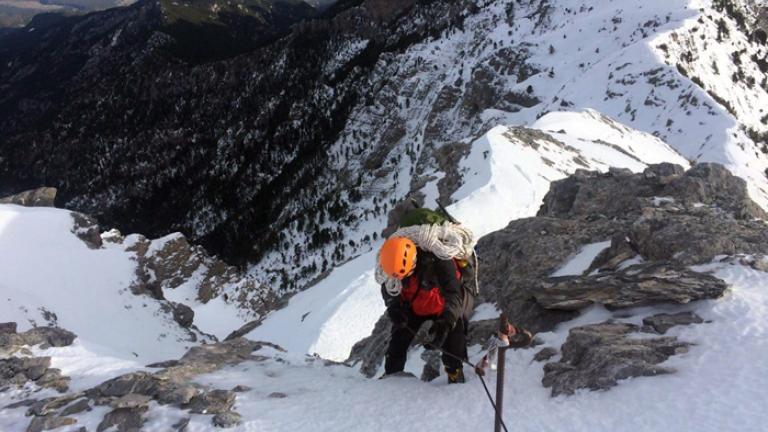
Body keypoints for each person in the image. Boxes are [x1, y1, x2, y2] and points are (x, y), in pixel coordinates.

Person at [379, 236, 475, 384]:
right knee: (398, 340)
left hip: (443, 306)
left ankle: (455, 372)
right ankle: (391, 375)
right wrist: (393, 305)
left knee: (454, 339)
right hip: (415, 305)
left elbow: (454, 296)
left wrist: (446, 323)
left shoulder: (441, 260)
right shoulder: (391, 263)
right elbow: (388, 287)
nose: (401, 279)